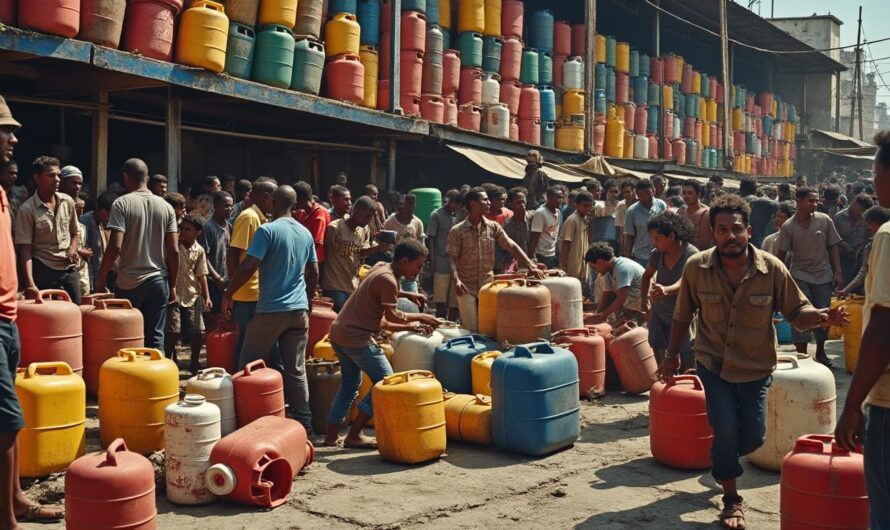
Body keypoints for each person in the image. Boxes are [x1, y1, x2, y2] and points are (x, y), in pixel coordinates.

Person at [661, 193, 845, 530]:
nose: (729, 236)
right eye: (721, 230)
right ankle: (732, 499)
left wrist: (819, 317)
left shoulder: (771, 268)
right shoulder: (696, 268)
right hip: (713, 363)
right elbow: (681, 315)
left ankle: (724, 458)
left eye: (736, 229)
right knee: (726, 430)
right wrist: (671, 356)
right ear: (713, 233)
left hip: (757, 367)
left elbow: (796, 311)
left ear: (748, 231)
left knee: (753, 438)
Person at [0, 95, 65, 528]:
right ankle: (7, 519)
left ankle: (17, 499)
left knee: (11, 423)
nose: (14, 136)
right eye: (5, 129)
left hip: (8, 318)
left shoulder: (2, 193)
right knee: (7, 422)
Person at [323, 241, 440, 448]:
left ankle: (331, 436)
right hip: (355, 338)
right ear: (405, 261)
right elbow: (393, 315)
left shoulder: (380, 267)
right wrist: (421, 317)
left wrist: (407, 298)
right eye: (418, 266)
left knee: (350, 385)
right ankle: (354, 435)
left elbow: (384, 317)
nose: (420, 270)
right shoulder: (388, 280)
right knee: (386, 382)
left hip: (339, 333)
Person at [223, 185, 318, 432]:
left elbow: (247, 266)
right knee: (296, 371)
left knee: (248, 365)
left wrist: (228, 293)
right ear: (295, 204)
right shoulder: (305, 233)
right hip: (298, 312)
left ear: (274, 202)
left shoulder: (267, 231)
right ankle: (304, 423)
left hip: (271, 310)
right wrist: (307, 302)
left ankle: (245, 422)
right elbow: (314, 272)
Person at [836, 134, 890, 530]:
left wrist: (852, 406)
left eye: (876, 171)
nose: (873, 182)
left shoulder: (887, 235)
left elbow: (884, 329)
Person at [96, 159, 179, 350]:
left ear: (126, 178)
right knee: (156, 337)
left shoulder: (122, 203)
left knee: (129, 337)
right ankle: (156, 378)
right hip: (159, 281)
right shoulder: (166, 207)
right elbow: (173, 251)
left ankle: (131, 378)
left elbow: (115, 246)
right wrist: (172, 285)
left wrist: (101, 279)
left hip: (129, 283)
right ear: (147, 178)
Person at [447, 187, 541, 331]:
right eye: (485, 200)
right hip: (466, 287)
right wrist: (456, 280)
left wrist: (530, 265)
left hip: (487, 285)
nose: (489, 203)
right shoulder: (457, 231)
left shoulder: (493, 227)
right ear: (473, 204)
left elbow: (510, 245)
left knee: (489, 328)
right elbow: (451, 258)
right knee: (471, 328)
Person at [776, 187, 843, 366]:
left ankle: (821, 351)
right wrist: (778, 281)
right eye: (810, 201)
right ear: (798, 201)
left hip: (823, 275)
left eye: (816, 201)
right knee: (799, 314)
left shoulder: (824, 220)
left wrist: (837, 271)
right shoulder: (788, 227)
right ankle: (802, 355)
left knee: (824, 314)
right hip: (799, 276)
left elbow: (832, 247)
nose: (815, 204)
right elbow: (780, 256)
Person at [15, 156, 81, 303]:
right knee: (47, 318)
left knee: (76, 311)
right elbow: (25, 250)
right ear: (37, 178)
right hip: (44, 269)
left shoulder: (67, 201)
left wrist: (73, 248)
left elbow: (75, 232)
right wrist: (30, 284)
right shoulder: (27, 210)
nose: (57, 179)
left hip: (68, 267)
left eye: (58, 175)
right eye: (51, 175)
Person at [227, 177, 277, 363]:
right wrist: (232, 290)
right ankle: (242, 382)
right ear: (265, 196)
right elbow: (233, 253)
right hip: (246, 293)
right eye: (275, 197)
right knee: (246, 343)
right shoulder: (249, 217)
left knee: (257, 343)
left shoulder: (261, 218)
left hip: (256, 292)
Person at [639, 212, 698, 368]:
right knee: (660, 354)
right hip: (659, 313)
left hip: (684, 315)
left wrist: (665, 289)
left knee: (687, 357)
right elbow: (646, 276)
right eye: (652, 239)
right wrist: (644, 301)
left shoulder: (692, 255)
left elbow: (684, 281)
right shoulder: (657, 255)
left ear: (671, 236)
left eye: (657, 239)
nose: (653, 243)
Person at [321, 197, 386, 312]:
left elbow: (361, 252)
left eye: (371, 217)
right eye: (367, 216)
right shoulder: (335, 227)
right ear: (356, 210)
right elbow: (322, 254)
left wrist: (379, 248)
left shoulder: (363, 230)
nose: (369, 220)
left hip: (352, 285)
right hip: (333, 285)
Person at [165, 214, 211, 374]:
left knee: (198, 331)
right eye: (182, 228)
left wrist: (207, 296)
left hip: (192, 294)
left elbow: (201, 274)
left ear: (197, 232)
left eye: (188, 229)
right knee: (173, 330)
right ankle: (168, 362)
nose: (183, 232)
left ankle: (194, 363)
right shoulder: (173, 245)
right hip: (174, 293)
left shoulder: (199, 250)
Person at [585, 242, 645, 324]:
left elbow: (621, 299)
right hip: (629, 307)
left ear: (600, 262)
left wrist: (603, 315)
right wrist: (597, 314)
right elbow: (607, 297)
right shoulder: (608, 272)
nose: (594, 270)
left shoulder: (623, 268)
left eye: (593, 267)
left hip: (641, 308)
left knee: (625, 330)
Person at [837, 206, 890, 297]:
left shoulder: (874, 245)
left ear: (880, 223)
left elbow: (863, 273)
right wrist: (845, 290)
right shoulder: (871, 245)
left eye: (869, 222)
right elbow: (864, 272)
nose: (866, 225)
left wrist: (846, 290)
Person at [428, 190, 463, 320]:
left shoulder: (459, 215)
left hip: (456, 263)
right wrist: (432, 262)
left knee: (454, 302)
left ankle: (451, 325)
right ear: (449, 201)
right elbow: (431, 239)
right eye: (454, 203)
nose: (455, 206)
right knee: (440, 300)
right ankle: (439, 324)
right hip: (440, 261)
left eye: (458, 204)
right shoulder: (436, 215)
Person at [623, 178, 668, 268]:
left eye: (647, 193)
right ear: (637, 195)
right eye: (640, 194)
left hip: (660, 254)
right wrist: (628, 258)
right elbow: (629, 236)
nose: (644, 197)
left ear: (654, 191)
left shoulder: (662, 205)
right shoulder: (632, 211)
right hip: (641, 256)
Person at [80, 191, 116, 293]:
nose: (108, 218)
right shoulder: (84, 222)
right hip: (87, 275)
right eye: (106, 214)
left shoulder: (103, 224)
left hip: (99, 274)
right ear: (97, 208)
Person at [203, 191, 232, 317]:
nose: (230, 209)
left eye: (231, 206)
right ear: (215, 205)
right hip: (213, 283)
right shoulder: (208, 227)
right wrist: (217, 279)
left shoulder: (229, 226)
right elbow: (204, 256)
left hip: (226, 281)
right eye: (226, 206)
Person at [834, 193, 873, 285]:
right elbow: (833, 236)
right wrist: (844, 245)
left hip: (861, 257)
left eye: (864, 211)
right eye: (860, 209)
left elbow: (871, 236)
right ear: (854, 203)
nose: (861, 213)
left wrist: (861, 246)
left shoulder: (868, 218)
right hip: (842, 258)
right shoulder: (839, 217)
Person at [293, 181, 331, 269]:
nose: (294, 203)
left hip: (313, 263)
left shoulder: (319, 214)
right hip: (302, 260)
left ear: (302, 198)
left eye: (295, 199)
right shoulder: (301, 213)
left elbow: (316, 244)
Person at [560, 191, 593, 285]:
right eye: (584, 206)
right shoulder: (572, 220)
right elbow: (566, 244)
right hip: (572, 265)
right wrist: (563, 266)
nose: (587, 209)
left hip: (582, 264)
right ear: (576, 205)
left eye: (589, 206)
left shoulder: (584, 219)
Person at [529, 186, 563, 269]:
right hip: (541, 255)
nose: (560, 200)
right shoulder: (541, 213)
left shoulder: (558, 212)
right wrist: (532, 257)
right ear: (549, 198)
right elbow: (535, 237)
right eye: (557, 197)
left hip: (553, 253)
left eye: (561, 197)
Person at [739, 177, 778, 248]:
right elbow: (782, 207)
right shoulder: (763, 203)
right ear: (755, 189)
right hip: (759, 244)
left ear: (741, 188)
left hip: (739, 244)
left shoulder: (733, 203)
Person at [502, 187, 534, 266]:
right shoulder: (507, 225)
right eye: (518, 202)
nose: (522, 205)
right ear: (511, 204)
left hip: (534, 260)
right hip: (515, 264)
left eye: (523, 202)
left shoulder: (534, 218)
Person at [678, 179, 713, 250]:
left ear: (698, 194)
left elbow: (705, 242)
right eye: (684, 193)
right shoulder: (682, 210)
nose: (686, 196)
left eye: (690, 193)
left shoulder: (706, 213)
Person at [590, 179, 620, 251]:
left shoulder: (621, 207)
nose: (614, 194)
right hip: (597, 242)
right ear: (606, 192)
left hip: (614, 243)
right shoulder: (598, 205)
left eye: (616, 192)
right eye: (611, 191)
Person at [615, 178, 637, 255]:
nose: (626, 195)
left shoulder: (640, 204)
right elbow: (620, 227)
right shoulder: (621, 205)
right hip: (626, 240)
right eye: (624, 192)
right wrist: (622, 245)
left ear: (634, 191)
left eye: (629, 192)